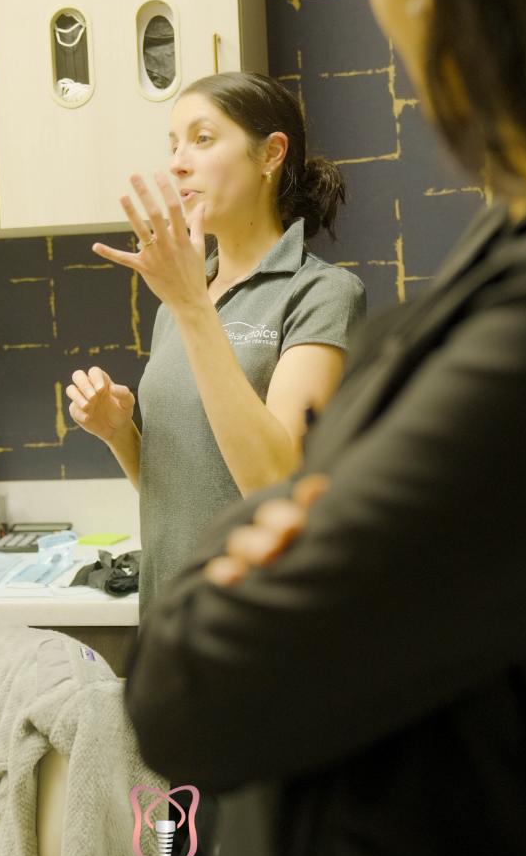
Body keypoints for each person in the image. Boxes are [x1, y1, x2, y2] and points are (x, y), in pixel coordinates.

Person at [125, 0, 526, 856]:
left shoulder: (418, 305)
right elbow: (247, 491)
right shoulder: (509, 243)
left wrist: (292, 513)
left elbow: (195, 672)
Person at [67, 72, 366, 610]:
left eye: (202, 139)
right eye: (174, 145)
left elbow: (275, 486)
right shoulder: (184, 296)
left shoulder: (322, 294)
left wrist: (190, 307)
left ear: (271, 154)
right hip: (170, 619)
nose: (179, 161)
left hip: (259, 631)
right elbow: (185, 488)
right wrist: (120, 435)